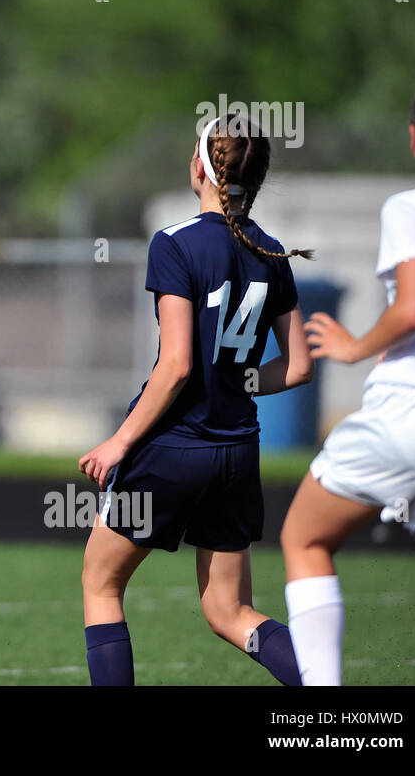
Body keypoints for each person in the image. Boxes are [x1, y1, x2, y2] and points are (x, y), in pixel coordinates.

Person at [78, 113, 314, 686]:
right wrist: (239, 382)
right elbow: (300, 365)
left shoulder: (175, 242)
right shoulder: (273, 251)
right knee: (228, 612)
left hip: (174, 448)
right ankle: (322, 686)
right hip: (236, 451)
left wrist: (119, 440)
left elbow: (177, 365)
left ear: (204, 169)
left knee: (101, 584)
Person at [281, 71, 415, 685]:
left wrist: (354, 347)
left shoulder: (412, 207)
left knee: (303, 539)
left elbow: (414, 308)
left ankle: (325, 720)